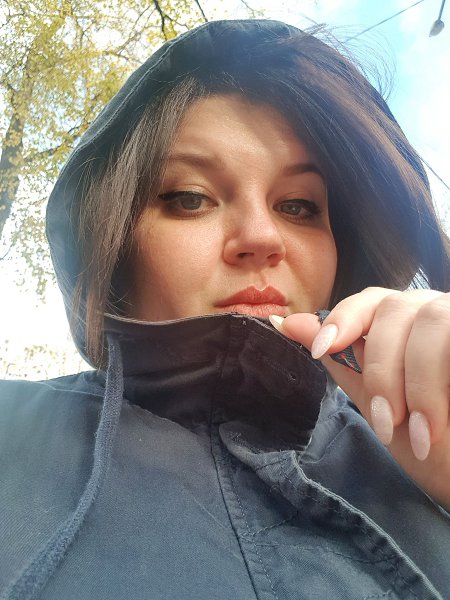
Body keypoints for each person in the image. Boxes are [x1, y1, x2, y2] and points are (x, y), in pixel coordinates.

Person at [0, 18, 449, 600]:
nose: (261, 236)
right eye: (191, 199)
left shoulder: (419, 447)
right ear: (115, 240)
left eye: (298, 206)